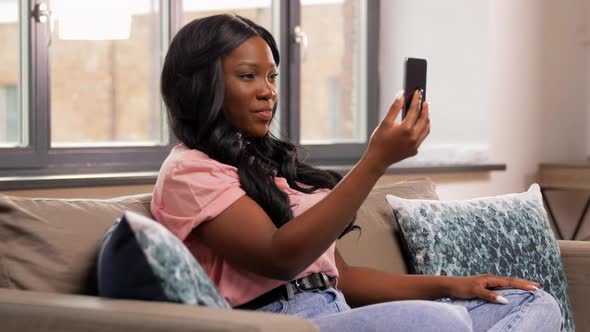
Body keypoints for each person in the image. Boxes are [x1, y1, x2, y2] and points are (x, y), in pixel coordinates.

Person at [151, 13, 562, 332]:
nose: (268, 91)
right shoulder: (189, 172)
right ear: (203, 85)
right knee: (443, 324)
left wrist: (454, 285)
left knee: (534, 304)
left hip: (337, 312)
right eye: (248, 76)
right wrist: (375, 161)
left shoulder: (271, 168)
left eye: (272, 76)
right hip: (280, 322)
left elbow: (342, 278)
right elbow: (281, 258)